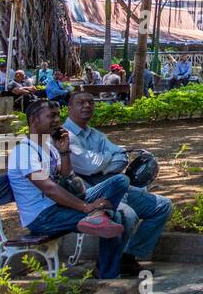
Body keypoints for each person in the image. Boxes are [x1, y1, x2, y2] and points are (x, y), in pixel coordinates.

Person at [6, 99, 129, 279]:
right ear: (34, 120)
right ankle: (108, 274)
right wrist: (85, 207)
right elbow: (48, 188)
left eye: (58, 115)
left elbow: (66, 175)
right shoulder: (24, 152)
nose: (57, 120)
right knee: (113, 218)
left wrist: (64, 152)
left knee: (119, 181)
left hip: (60, 205)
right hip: (43, 216)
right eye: (51, 116)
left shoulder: (48, 146)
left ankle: (100, 215)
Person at [63, 92, 174, 274]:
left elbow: (122, 157)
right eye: (80, 103)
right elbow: (88, 166)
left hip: (116, 187)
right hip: (90, 194)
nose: (87, 106)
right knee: (126, 215)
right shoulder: (65, 136)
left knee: (162, 206)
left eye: (90, 102)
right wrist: (106, 161)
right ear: (69, 107)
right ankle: (106, 266)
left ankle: (128, 257)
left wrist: (101, 164)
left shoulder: (95, 135)